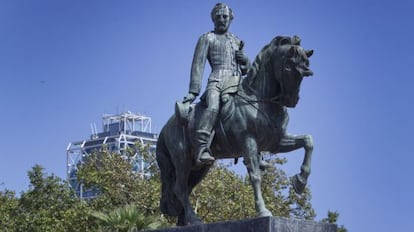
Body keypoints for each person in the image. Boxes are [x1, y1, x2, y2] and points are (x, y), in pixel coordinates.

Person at [182, 3, 250, 164]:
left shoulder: (236, 40)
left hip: (237, 81)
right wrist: (193, 91)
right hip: (217, 80)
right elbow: (198, 65)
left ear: (230, 18)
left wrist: (245, 61)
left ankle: (256, 150)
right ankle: (202, 147)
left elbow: (245, 69)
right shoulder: (207, 38)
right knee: (213, 107)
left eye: (225, 16)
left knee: (252, 107)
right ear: (213, 19)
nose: (222, 19)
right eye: (218, 16)